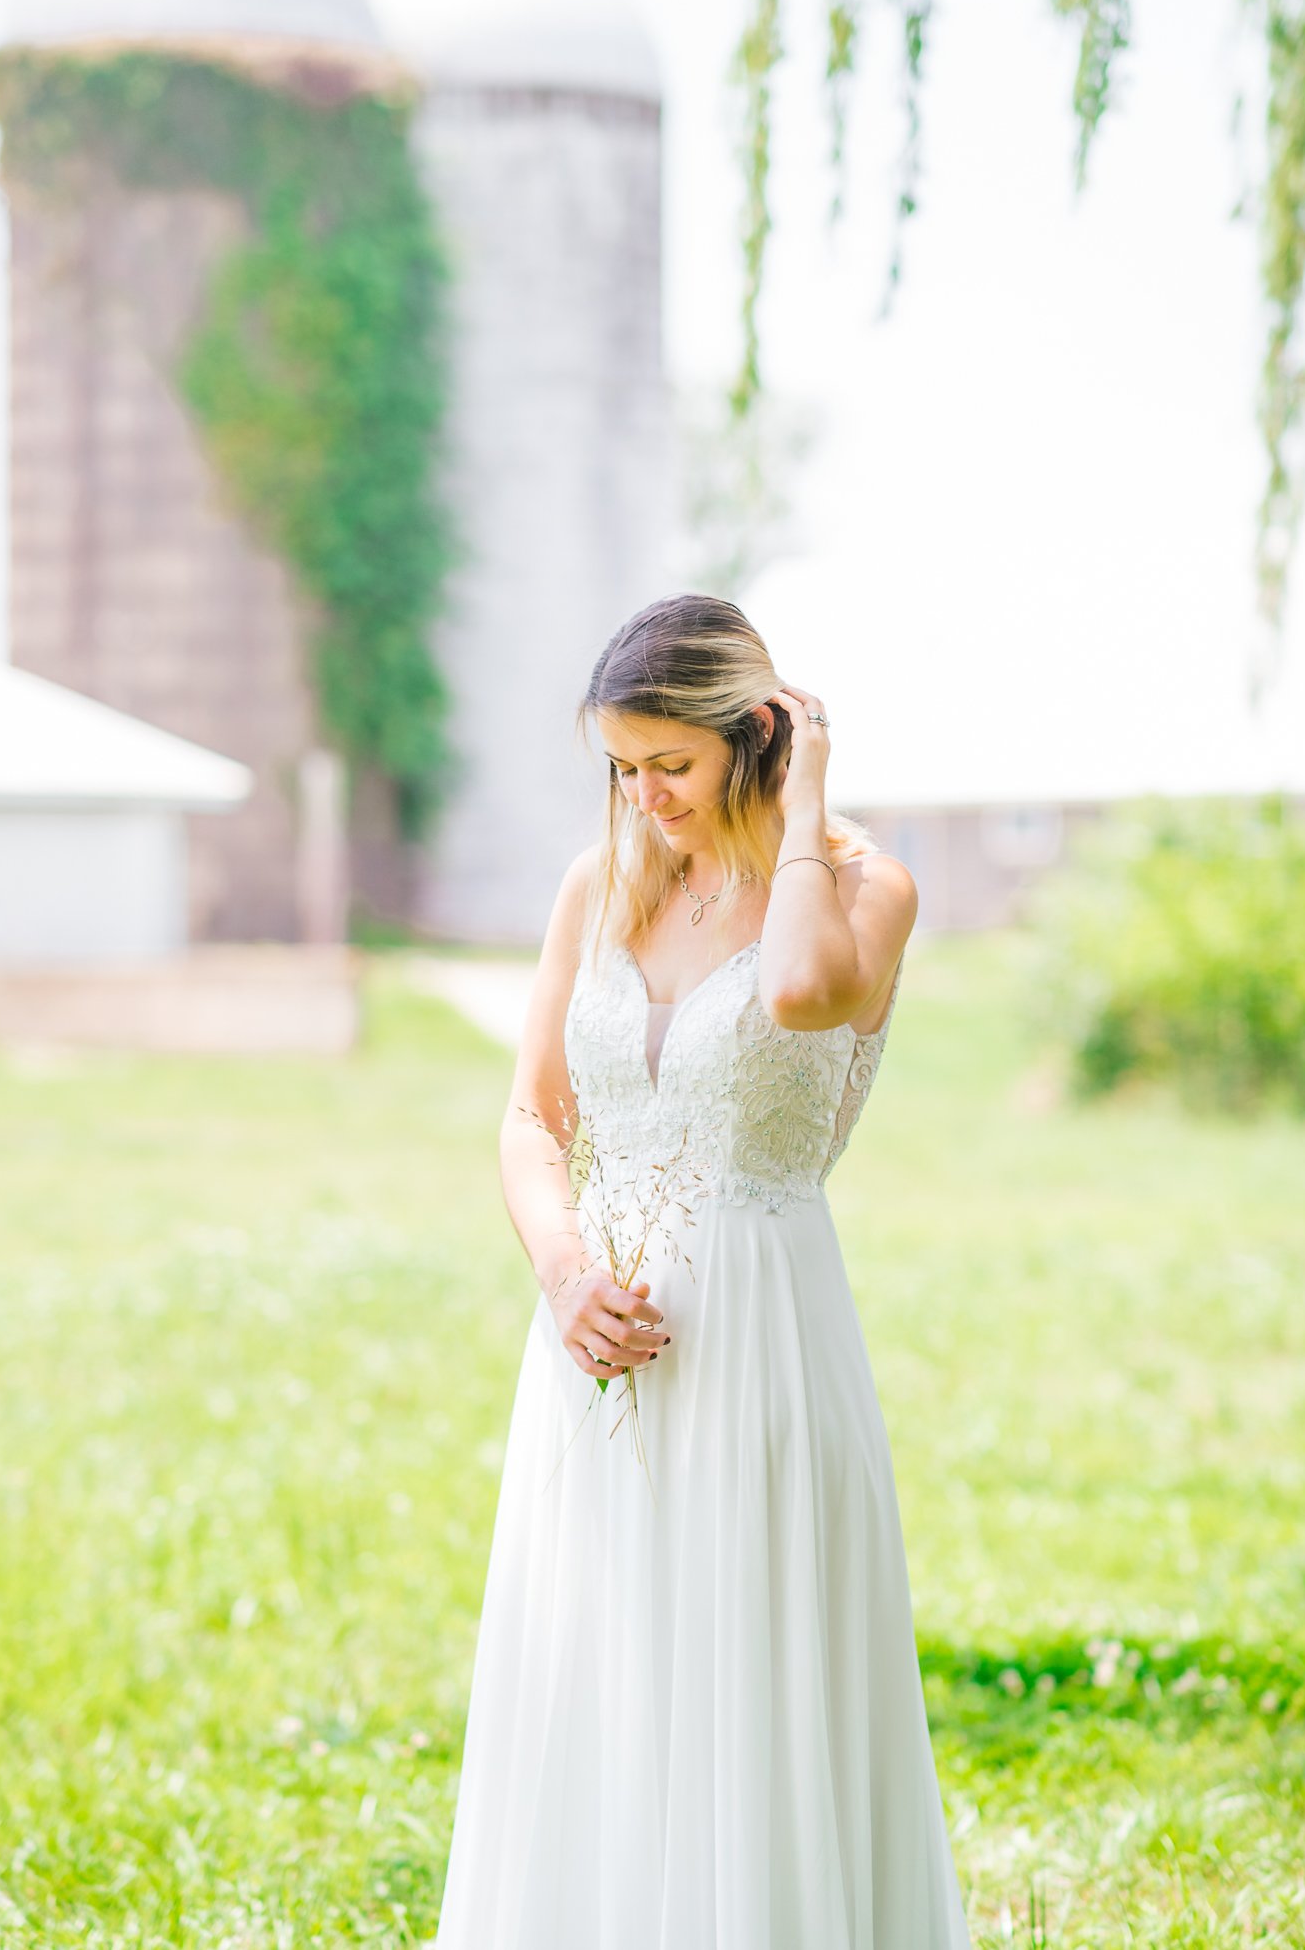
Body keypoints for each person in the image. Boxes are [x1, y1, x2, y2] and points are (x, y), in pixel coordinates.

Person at [432, 594, 972, 1949]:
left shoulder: (862, 889)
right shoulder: (597, 884)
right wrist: (562, 1276)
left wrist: (803, 811)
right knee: (598, 1686)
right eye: (621, 767)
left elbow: (795, 996)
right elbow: (530, 1120)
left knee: (750, 1686)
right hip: (591, 1354)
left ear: (756, 734)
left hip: (764, 1345)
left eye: (669, 762)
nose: (642, 796)